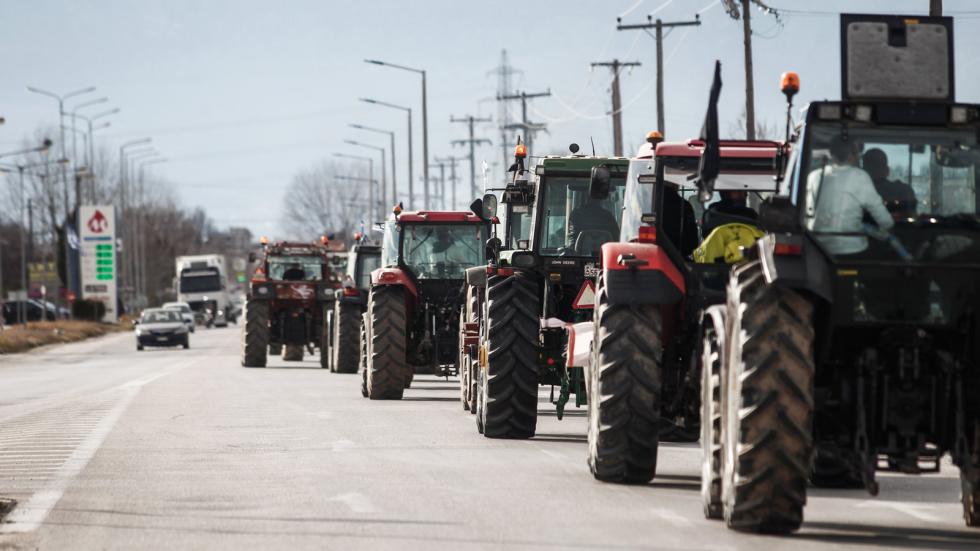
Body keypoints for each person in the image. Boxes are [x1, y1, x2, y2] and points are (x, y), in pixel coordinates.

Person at [807, 139, 893, 256]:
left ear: (831, 154)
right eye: (857, 154)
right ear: (852, 156)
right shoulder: (859, 176)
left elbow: (807, 212)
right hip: (852, 248)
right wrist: (886, 230)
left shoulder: (814, 177)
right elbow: (881, 215)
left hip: (819, 246)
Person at [862, 148, 917, 219]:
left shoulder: (854, 193)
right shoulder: (904, 191)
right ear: (887, 171)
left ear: (864, 171)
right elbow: (912, 221)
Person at [661, 183, 700, 257]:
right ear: (675, 184)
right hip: (679, 259)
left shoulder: (648, 203)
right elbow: (693, 242)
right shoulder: (684, 206)